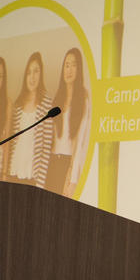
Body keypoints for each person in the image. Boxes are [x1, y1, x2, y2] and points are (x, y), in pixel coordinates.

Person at [47, 47, 92, 197]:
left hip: (67, 165)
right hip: (51, 162)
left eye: (73, 65)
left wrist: (72, 179)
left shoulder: (83, 99)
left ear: (79, 69)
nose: (69, 70)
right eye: (66, 65)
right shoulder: (57, 99)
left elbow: (80, 143)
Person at [9, 52, 54, 187]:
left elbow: (46, 149)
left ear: (41, 75)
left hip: (32, 178)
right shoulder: (18, 104)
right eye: (29, 72)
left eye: (36, 71)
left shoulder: (47, 104)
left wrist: (40, 185)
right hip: (14, 173)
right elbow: (12, 144)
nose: (32, 77)